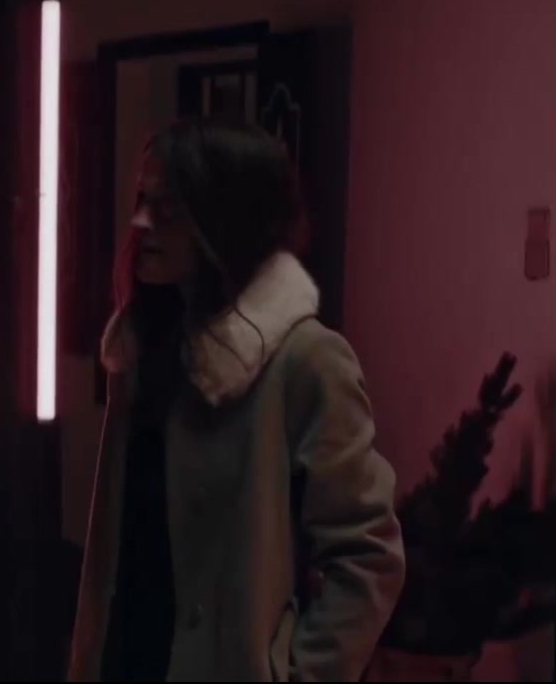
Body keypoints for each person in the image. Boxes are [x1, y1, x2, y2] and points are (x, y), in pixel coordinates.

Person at [66, 117, 406, 682]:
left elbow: (369, 555)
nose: (141, 223)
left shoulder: (306, 361)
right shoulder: (143, 348)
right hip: (128, 656)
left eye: (168, 209)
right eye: (142, 200)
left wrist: (300, 672)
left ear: (224, 219)